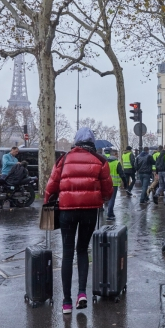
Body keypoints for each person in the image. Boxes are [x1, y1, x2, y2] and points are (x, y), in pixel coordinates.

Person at [44, 127, 113, 314]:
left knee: (67, 253)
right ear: (92, 142)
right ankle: (81, 293)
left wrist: (47, 203)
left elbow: (51, 186)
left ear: (76, 142)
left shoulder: (64, 159)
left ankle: (66, 302)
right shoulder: (100, 161)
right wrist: (102, 199)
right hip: (90, 212)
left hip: (67, 211)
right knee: (82, 250)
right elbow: (108, 190)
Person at [105, 148, 128, 220]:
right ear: (114, 154)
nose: (118, 155)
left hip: (106, 183)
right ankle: (109, 215)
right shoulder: (117, 163)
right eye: (117, 154)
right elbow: (122, 174)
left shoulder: (106, 162)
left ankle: (111, 213)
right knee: (112, 199)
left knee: (108, 199)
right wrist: (125, 183)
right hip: (114, 184)